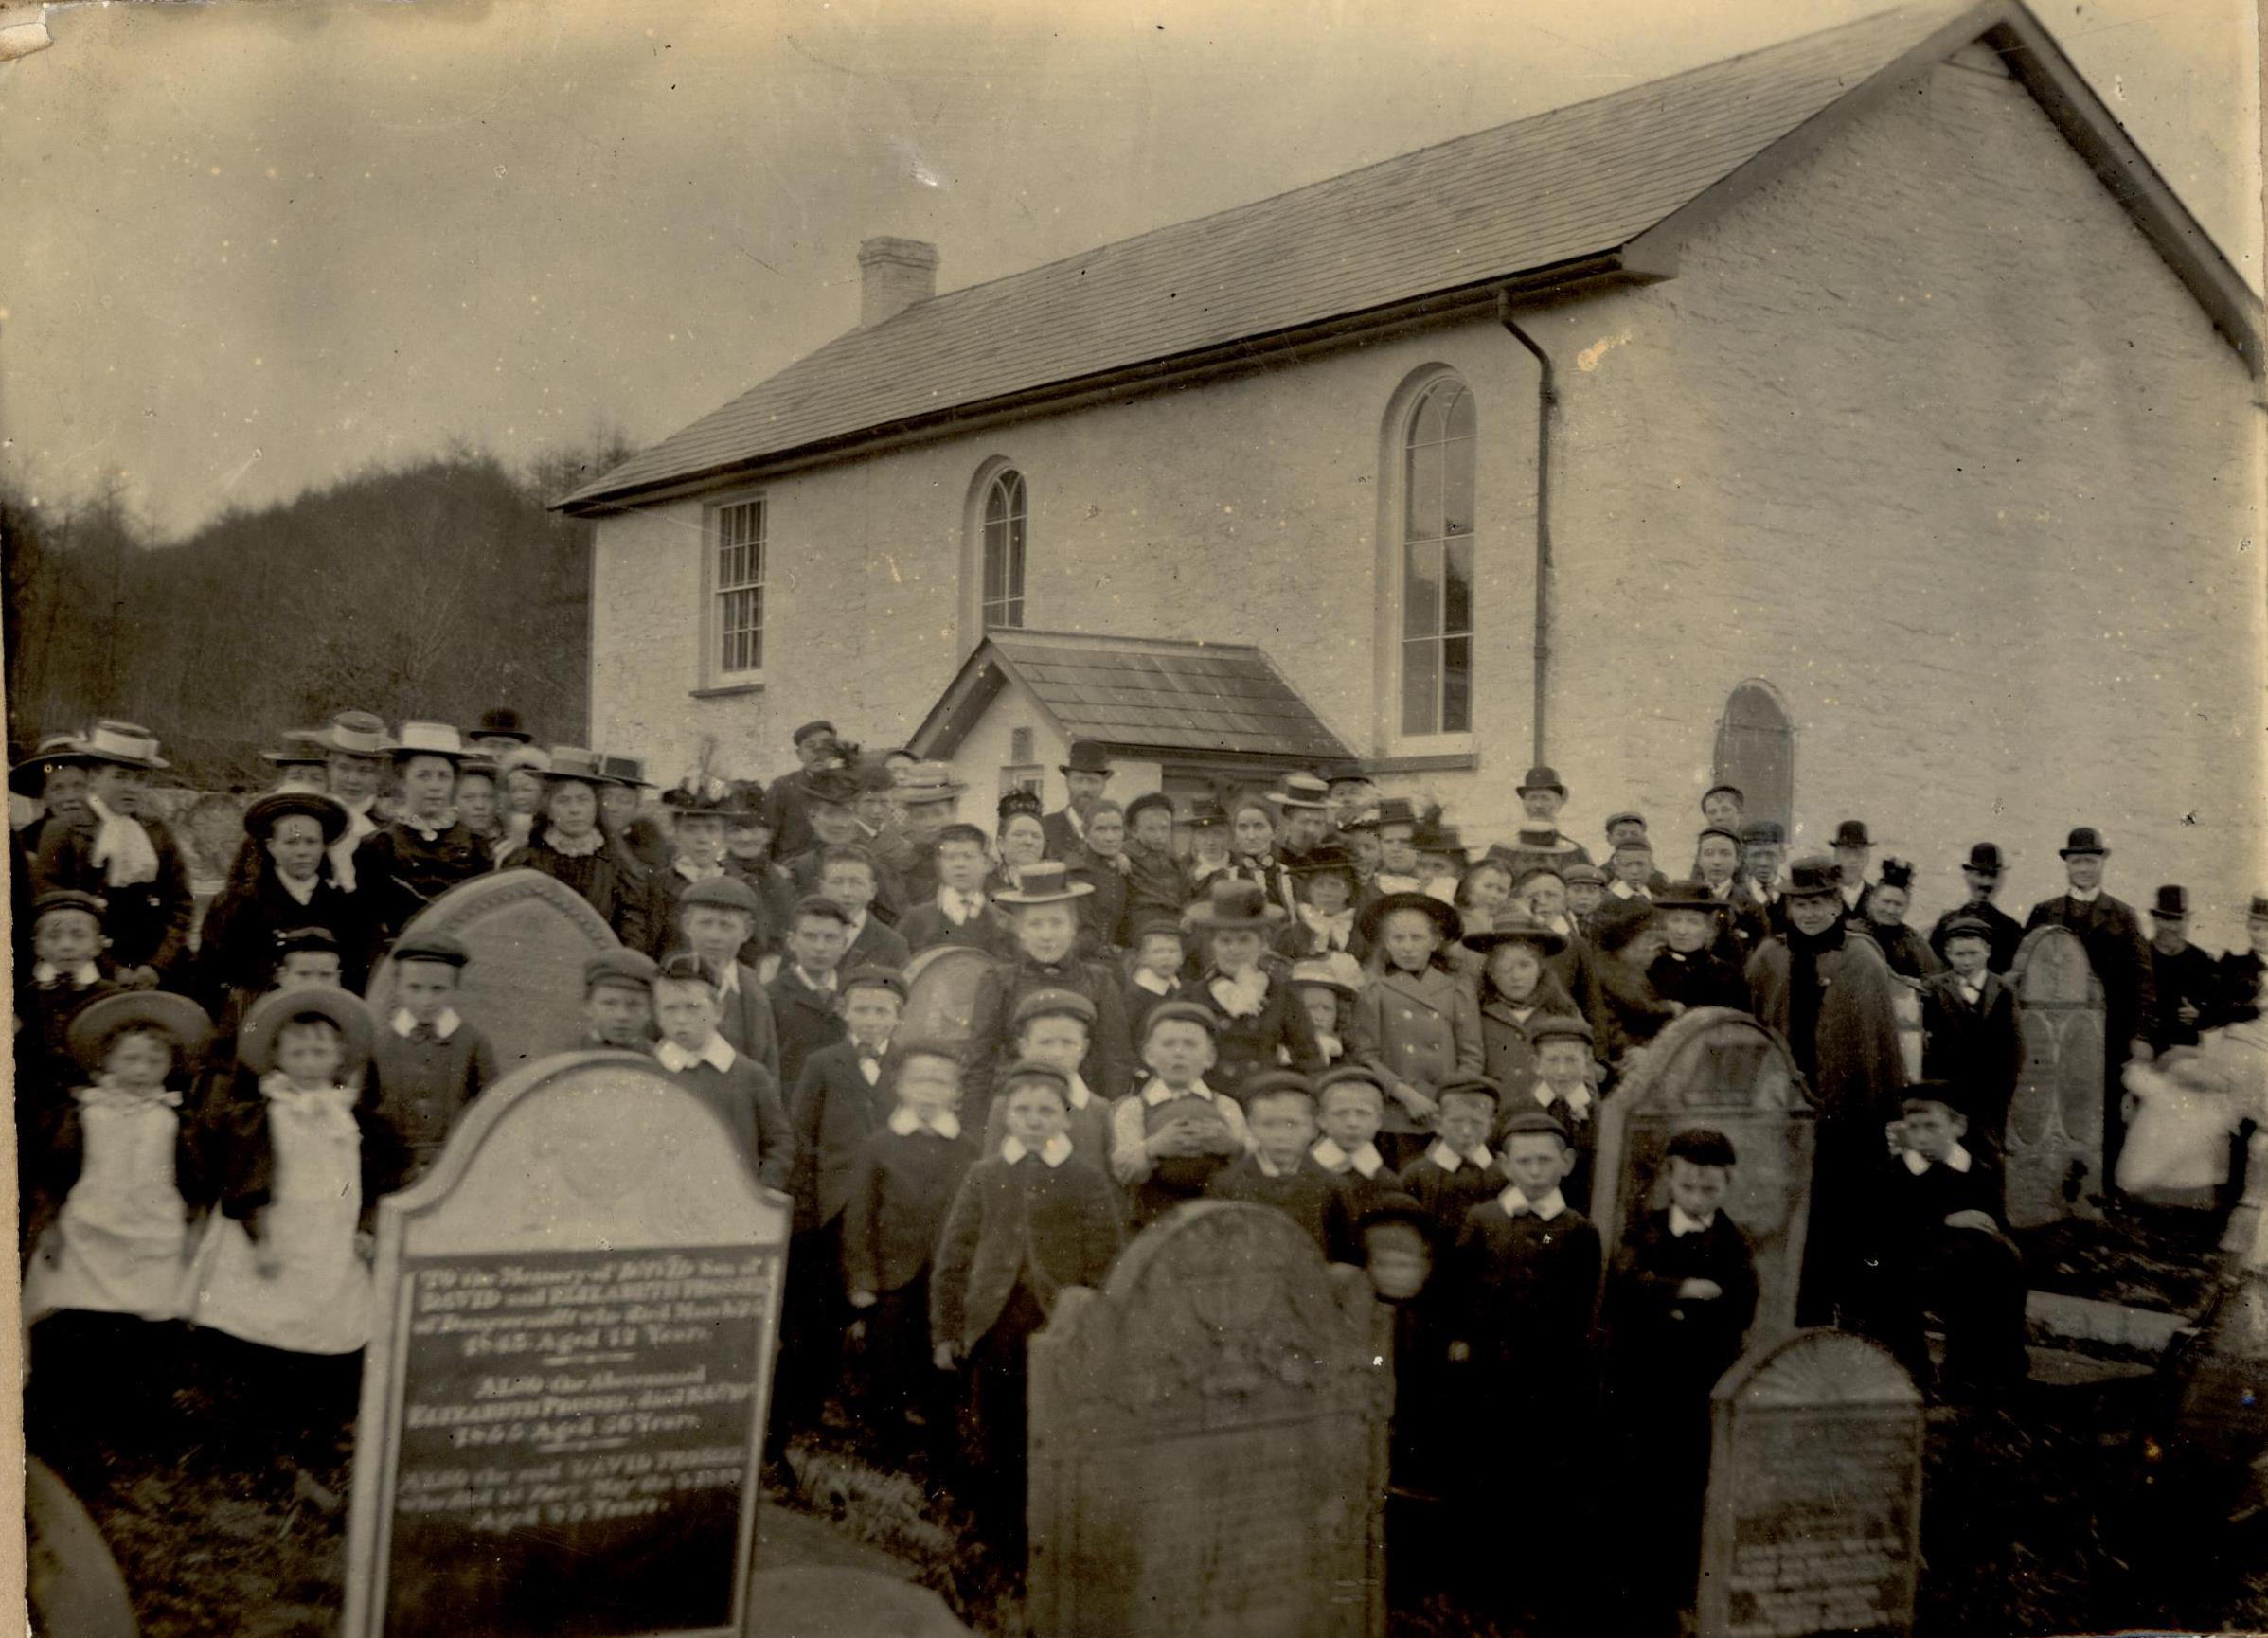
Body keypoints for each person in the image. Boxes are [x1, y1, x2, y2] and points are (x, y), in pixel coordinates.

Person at [931, 1059, 1125, 1562]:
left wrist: (1094, 1329)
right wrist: (946, 1331)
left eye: (1046, 1110)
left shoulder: (1085, 1178)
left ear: (1065, 1117)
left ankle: (1047, 1530)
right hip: (993, 1323)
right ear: (1006, 1116)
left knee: (1053, 1427)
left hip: (1057, 1323)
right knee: (995, 1426)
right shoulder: (984, 1174)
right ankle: (996, 1532)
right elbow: (953, 1257)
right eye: (1023, 1110)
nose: (1034, 1119)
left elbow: (1105, 1259)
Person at [188, 988, 404, 1437]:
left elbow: (375, 1180)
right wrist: (260, 1237)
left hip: (330, 1233)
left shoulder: (353, 1118)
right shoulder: (261, 1116)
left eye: (320, 1050)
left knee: (327, 1313)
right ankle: (253, 1417)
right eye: (297, 1051)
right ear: (277, 1057)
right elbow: (247, 1180)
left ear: (340, 1056)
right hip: (274, 1229)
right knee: (264, 1312)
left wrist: (366, 1228)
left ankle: (315, 1416)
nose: (309, 1060)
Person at [1444, 1108, 1601, 1626]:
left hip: (1548, 1379)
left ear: (1566, 1163)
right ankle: (1478, 1591)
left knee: (1541, 1480)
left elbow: (1584, 1307)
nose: (1535, 1171)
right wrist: (1463, 1340)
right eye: (1525, 1161)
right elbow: (1460, 1290)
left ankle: (1534, 1592)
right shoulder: (1484, 1220)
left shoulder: (1578, 1230)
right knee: (1484, 1475)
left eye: (1545, 1161)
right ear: (1507, 1165)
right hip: (1487, 1375)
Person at [1602, 1126, 1759, 1635]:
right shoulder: (1642, 1229)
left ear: (1727, 1186)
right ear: (1670, 1180)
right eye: (1687, 1186)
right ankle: (1627, 1595)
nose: (1696, 1198)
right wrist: (1684, 1289)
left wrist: (1665, 1305)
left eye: (1708, 1189)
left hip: (1697, 1390)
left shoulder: (1734, 1243)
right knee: (1633, 1486)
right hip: (1640, 1386)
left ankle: (1678, 1595)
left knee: (1687, 1491)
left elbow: (1738, 1307)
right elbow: (1625, 1285)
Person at [1747, 856, 1907, 1324]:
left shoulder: (1861, 959)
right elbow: (1756, 1028)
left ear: (1837, 904)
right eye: (1801, 904)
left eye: (1819, 902)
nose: (1810, 913)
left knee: (1846, 1218)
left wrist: (1878, 1113)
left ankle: (1852, 1315)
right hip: (1784, 1115)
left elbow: (1877, 1045)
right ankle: (1798, 1313)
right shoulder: (1769, 958)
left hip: (1847, 1118)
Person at [22, 991, 213, 1331]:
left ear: (171, 1064)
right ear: (107, 1061)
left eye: (154, 1061)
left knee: (147, 1315)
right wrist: (49, 1228)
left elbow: (195, 1180)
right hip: (88, 1225)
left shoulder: (176, 1120)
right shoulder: (84, 1114)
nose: (141, 1070)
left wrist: (192, 1228)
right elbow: (56, 1174)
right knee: (78, 1313)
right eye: (130, 1059)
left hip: (155, 1228)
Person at [842, 1038, 978, 1463]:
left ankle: (941, 1453)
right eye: (920, 1081)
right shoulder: (879, 1146)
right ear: (901, 1086)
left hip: (945, 1277)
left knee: (940, 1365)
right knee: (887, 1364)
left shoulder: (969, 1150)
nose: (929, 1091)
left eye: (940, 1083)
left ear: (956, 1093)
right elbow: (859, 1219)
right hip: (891, 1276)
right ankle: (888, 1450)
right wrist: (863, 1281)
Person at [1856, 1081, 2028, 1398]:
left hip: (1958, 1263)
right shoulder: (1894, 1173)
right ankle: (1911, 1371)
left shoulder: (1977, 1170)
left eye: (1932, 1127)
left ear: (1958, 1127)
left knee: (2003, 1262)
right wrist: (1943, 1220)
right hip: (1902, 1258)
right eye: (1914, 1127)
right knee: (1885, 1278)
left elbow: (1992, 1221)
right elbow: (1883, 1228)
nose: (1921, 1137)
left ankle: (1981, 1371)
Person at [2024, 827, 2158, 1186]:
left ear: (2102, 864)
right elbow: (2024, 974)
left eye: (2090, 861)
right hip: (2053, 1034)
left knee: (2106, 1109)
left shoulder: (2123, 916)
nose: (2084, 868)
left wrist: (2141, 1035)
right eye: (2077, 861)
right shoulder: (2045, 912)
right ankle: (2052, 1183)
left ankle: (2102, 1189)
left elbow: (2143, 982)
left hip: (2108, 1034)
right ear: (2067, 865)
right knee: (2054, 1104)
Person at [33, 721, 196, 992]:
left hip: (156, 970)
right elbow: (52, 909)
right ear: (94, 777)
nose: (131, 788)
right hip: (87, 969)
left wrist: (157, 965)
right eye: (120, 777)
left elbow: (181, 906)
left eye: (139, 779)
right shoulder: (62, 831)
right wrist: (112, 969)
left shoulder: (157, 832)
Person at [961, 861, 1135, 1112]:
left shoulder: (1100, 981)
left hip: (1083, 1110)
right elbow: (979, 1062)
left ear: (1073, 928)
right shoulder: (1000, 982)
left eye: (1057, 923)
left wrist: (1107, 1118)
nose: (1047, 935)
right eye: (1036, 924)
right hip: (1019, 1110)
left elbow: (1116, 1061)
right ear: (1021, 930)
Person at [198, 790, 365, 1026]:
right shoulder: (239, 905)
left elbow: (355, 973)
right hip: (254, 1021)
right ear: (271, 846)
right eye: (291, 842)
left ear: (323, 846)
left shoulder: (343, 906)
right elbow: (209, 975)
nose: (302, 851)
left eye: (311, 842)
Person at [1352, 891, 1479, 1167]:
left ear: (1434, 942)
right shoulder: (1375, 991)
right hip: (1398, 1113)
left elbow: (1472, 1055)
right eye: (1398, 938)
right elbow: (1365, 1055)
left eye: (1416, 938)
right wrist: (1406, 1094)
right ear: (1386, 942)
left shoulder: (1456, 988)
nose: (1407, 947)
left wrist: (1451, 1100)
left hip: (1446, 1111)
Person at [651, 954, 792, 1187]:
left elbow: (779, 1143)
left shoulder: (750, 1075)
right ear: (657, 1015)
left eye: (693, 1007)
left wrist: (758, 1193)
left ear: (718, 1010)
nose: (681, 1019)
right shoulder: (649, 1072)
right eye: (670, 1008)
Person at [366, 932, 497, 1180]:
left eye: (438, 989)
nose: (426, 1000)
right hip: (392, 1167)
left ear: (455, 989)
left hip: (454, 1163)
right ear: (397, 988)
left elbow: (491, 1104)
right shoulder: (381, 1043)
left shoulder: (473, 1042)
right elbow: (366, 1107)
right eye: (414, 988)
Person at [1179, 878, 1323, 1100]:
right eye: (1225, 941)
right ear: (1213, 945)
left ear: (1261, 944)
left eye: (1244, 940)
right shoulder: (1192, 997)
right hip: (1212, 1104)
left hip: (1266, 1105)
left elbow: (1310, 1061)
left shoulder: (1282, 995)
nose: (1233, 949)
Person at [1109, 1000, 1250, 1226]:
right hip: (1152, 1220)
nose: (1179, 1053)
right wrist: (1153, 1147)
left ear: (1210, 1057)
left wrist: (1233, 1146)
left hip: (1216, 1217)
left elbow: (1252, 1164)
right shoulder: (1133, 1108)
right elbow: (1121, 1170)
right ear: (1149, 1055)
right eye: (1168, 1043)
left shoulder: (1225, 1106)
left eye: (1190, 1044)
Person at [352, 721, 488, 953]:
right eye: (423, 776)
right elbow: (365, 925)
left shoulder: (477, 845)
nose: (435, 786)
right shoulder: (378, 845)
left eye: (443, 776)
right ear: (402, 780)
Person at [1206, 1071, 1361, 1261]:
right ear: (1251, 1126)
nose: (1281, 1135)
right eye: (1268, 1124)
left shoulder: (1332, 1186)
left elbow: (1345, 1255)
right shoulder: (1228, 1184)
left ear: (1313, 1128)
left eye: (1291, 1124)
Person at [515, 749, 655, 951]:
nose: (574, 809)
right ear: (549, 810)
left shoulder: (618, 864)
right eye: (563, 801)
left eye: (583, 800)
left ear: (595, 807)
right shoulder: (526, 861)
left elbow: (632, 929)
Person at [14, 891, 125, 1144]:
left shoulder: (111, 996)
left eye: (78, 935)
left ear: (97, 945)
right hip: (33, 1105)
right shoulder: (25, 996)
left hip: (94, 1103)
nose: (66, 945)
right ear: (38, 946)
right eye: (53, 936)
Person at [1919, 916, 2024, 1160]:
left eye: (1973, 953)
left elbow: (2015, 1047)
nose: (1966, 961)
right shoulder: (1933, 988)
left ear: (1987, 951)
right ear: (1947, 953)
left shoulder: (2004, 991)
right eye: (1959, 954)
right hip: (1947, 1092)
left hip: (1990, 1093)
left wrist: (2003, 1091)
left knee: (1987, 1155)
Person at [977, 989, 1116, 1166]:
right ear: (1024, 1047)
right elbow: (990, 1176)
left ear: (1084, 1048)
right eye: (1045, 1042)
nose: (1056, 1053)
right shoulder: (1004, 1106)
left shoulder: (1098, 1110)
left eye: (1068, 1043)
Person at [668, 877, 782, 1074]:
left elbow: (769, 1068)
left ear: (746, 931)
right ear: (687, 925)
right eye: (705, 923)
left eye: (726, 926)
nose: (715, 936)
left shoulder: (753, 987)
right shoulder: (665, 983)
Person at [1465, 908, 1584, 1095]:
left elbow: (1585, 1074)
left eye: (1525, 965)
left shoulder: (1563, 1013)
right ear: (1491, 972)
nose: (1516, 976)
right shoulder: (1476, 1015)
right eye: (1504, 967)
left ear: (1540, 969)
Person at [766, 897, 855, 1093]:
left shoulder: (854, 993)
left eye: (830, 938)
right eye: (810, 936)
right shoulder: (769, 996)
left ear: (844, 944)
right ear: (791, 941)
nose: (820, 947)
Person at [1395, 1074, 1501, 1233]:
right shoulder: (1416, 1175)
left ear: (1490, 1128)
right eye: (1456, 1121)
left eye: (1476, 1123)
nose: (1466, 1131)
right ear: (1438, 1124)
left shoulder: (1502, 1174)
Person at [896, 823, 1017, 960]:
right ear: (940, 864)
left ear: (986, 863)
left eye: (968, 856)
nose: (959, 864)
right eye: (951, 857)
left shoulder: (1004, 923)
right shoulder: (917, 920)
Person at [1521, 1015, 1603, 1211]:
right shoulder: (1521, 1110)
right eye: (1552, 1060)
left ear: (1587, 1064)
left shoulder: (1600, 1115)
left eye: (1571, 1060)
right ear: (1536, 1064)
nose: (1562, 1071)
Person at [1647, 880, 1750, 1012]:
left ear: (1709, 929)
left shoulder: (1727, 976)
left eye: (1693, 922)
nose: (1682, 931)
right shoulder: (1650, 970)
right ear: (1665, 924)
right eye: (1675, 920)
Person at [1311, 1064, 1398, 1220]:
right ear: (1321, 1119)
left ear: (1379, 1121)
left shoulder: (1386, 1181)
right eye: (1341, 1113)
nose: (1352, 1123)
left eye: (1363, 1113)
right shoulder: (1306, 1172)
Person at [1928, 843, 2025, 974]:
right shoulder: (1946, 923)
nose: (1986, 882)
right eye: (1981, 874)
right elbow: (1932, 970)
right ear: (1968, 876)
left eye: (1992, 875)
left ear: (2001, 880)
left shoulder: (2011, 929)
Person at [2148, 885, 2219, 1053]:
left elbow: (2217, 1009)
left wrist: (2199, 1014)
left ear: (2185, 921)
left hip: (2184, 1049)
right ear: (2155, 920)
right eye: (2165, 919)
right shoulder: (2139, 955)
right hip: (2144, 1046)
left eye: (2177, 920)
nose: (2172, 927)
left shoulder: (2200, 959)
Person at [764, 720, 847, 864]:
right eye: (810, 745)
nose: (818, 752)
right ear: (799, 754)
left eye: (826, 745)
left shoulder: (846, 786)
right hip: (795, 871)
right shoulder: (782, 787)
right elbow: (766, 839)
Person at [887, 762, 969, 906]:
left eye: (938, 813)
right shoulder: (900, 868)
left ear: (954, 811)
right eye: (920, 816)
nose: (930, 823)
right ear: (910, 818)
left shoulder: (973, 860)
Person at [821, 844, 912, 970]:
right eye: (837, 882)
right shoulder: (803, 935)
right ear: (822, 888)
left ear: (872, 891)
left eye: (856, 883)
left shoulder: (893, 944)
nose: (846, 892)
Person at [1279, 840, 1367, 962]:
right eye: (1319, 885)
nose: (1326, 893)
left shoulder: (1362, 934)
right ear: (1308, 891)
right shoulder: (1291, 935)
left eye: (1335, 885)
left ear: (1349, 890)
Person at [1065, 799, 1131, 958]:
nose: (1110, 837)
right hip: (1079, 957)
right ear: (1086, 834)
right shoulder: (1077, 871)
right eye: (1100, 829)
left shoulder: (1121, 868)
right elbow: (1085, 933)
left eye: (1116, 829)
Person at [1693, 826, 1768, 962]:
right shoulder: (1687, 901)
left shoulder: (1751, 907)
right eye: (1709, 853)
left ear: (1738, 861)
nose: (1717, 861)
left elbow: (1761, 957)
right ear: (1699, 860)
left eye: (1725, 853)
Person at [1866, 859, 1942, 983]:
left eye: (1898, 904)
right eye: (1886, 902)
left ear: (1907, 906)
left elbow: (1935, 982)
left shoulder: (1915, 943)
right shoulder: (1853, 932)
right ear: (1873, 900)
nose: (1890, 910)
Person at [1119, 792, 1188, 934]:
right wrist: (1117, 856)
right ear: (1135, 831)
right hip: (1144, 915)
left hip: (1174, 913)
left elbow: (1184, 889)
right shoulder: (1127, 852)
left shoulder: (1171, 856)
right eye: (1151, 829)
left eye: (1164, 828)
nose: (1159, 835)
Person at [1225, 794, 1298, 917]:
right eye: (1243, 827)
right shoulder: (1224, 878)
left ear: (1274, 832)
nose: (1251, 836)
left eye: (1259, 826)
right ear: (1235, 835)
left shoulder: (1290, 877)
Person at [1041, 739, 1115, 861]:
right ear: (1067, 783)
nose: (1085, 788)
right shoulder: (1045, 828)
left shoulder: (1117, 830)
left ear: (1103, 785)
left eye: (1092, 781)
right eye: (1078, 780)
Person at [1123, 911, 1188, 1040]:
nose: (1166, 957)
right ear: (1142, 958)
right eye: (1157, 951)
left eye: (1172, 951)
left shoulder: (1182, 988)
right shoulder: (1136, 995)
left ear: (1182, 957)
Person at [578, 948, 657, 1051]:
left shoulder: (661, 1062)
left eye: (634, 1005)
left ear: (649, 1010)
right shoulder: (566, 1058)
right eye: (609, 1004)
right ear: (587, 1007)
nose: (622, 1016)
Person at [1292, 953, 1361, 1070]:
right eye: (1311, 1007)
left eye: (1327, 1008)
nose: (1319, 1016)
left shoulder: (1347, 1057)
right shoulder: (1278, 1053)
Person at [1735, 820, 1785, 936]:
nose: (1763, 863)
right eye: (1756, 855)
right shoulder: (1736, 896)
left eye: (1770, 855)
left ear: (1782, 855)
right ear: (1745, 857)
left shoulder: (1795, 895)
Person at [1831, 820, 1876, 920]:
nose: (1853, 860)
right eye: (1846, 854)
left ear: (1867, 858)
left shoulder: (1877, 897)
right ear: (1836, 856)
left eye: (1859, 854)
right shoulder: (1824, 894)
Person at [466, 706, 536, 756]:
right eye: (491, 746)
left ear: (521, 749)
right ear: (478, 745)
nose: (499, 752)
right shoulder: (461, 773)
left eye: (508, 746)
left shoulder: (532, 775)